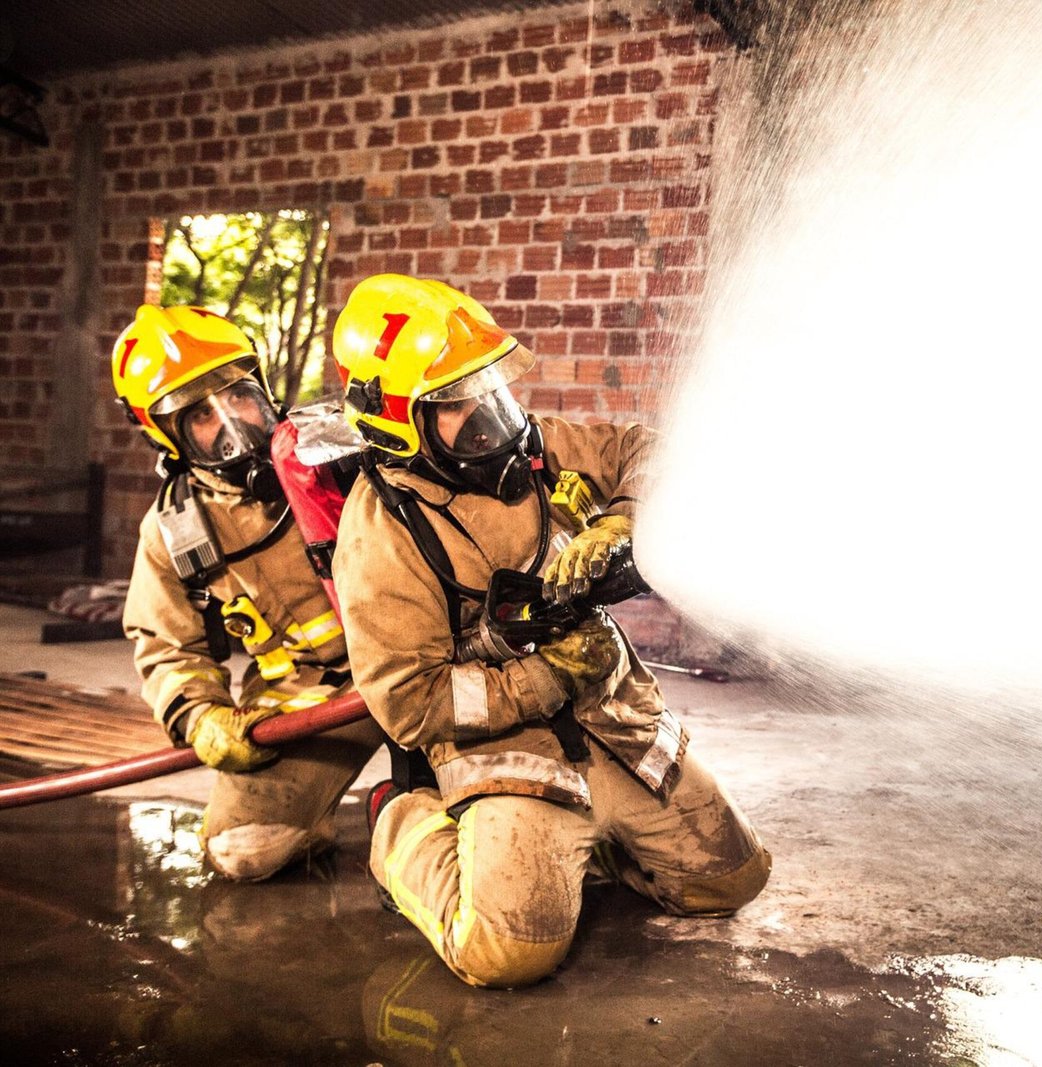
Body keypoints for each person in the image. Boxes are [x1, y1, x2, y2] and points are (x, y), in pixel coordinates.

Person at [329, 274, 770, 988]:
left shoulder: (534, 449)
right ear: (396, 421)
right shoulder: (381, 532)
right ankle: (401, 825)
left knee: (731, 878)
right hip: (510, 754)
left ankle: (598, 846)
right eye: (456, 401)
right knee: (509, 952)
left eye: (489, 385)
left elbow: (647, 448)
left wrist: (624, 516)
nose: (488, 412)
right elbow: (409, 703)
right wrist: (547, 675)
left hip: (614, 723)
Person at [115, 304, 385, 881]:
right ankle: (321, 817)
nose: (232, 422)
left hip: (415, 657)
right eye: (201, 415)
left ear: (262, 389)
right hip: (314, 699)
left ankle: (412, 805)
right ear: (168, 436)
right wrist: (201, 717)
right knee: (243, 848)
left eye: (239, 395)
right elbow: (167, 647)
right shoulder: (177, 530)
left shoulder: (338, 447)